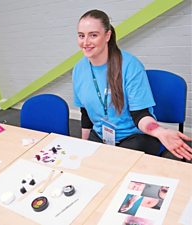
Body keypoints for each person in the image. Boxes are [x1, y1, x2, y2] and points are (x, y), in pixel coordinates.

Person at [72, 9, 192, 159]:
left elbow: (140, 114)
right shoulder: (79, 69)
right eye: (81, 36)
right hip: (101, 135)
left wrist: (159, 131)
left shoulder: (130, 65)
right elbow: (85, 114)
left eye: (93, 35)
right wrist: (84, 145)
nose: (86, 42)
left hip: (134, 137)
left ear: (107, 35)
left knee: (115, 169)